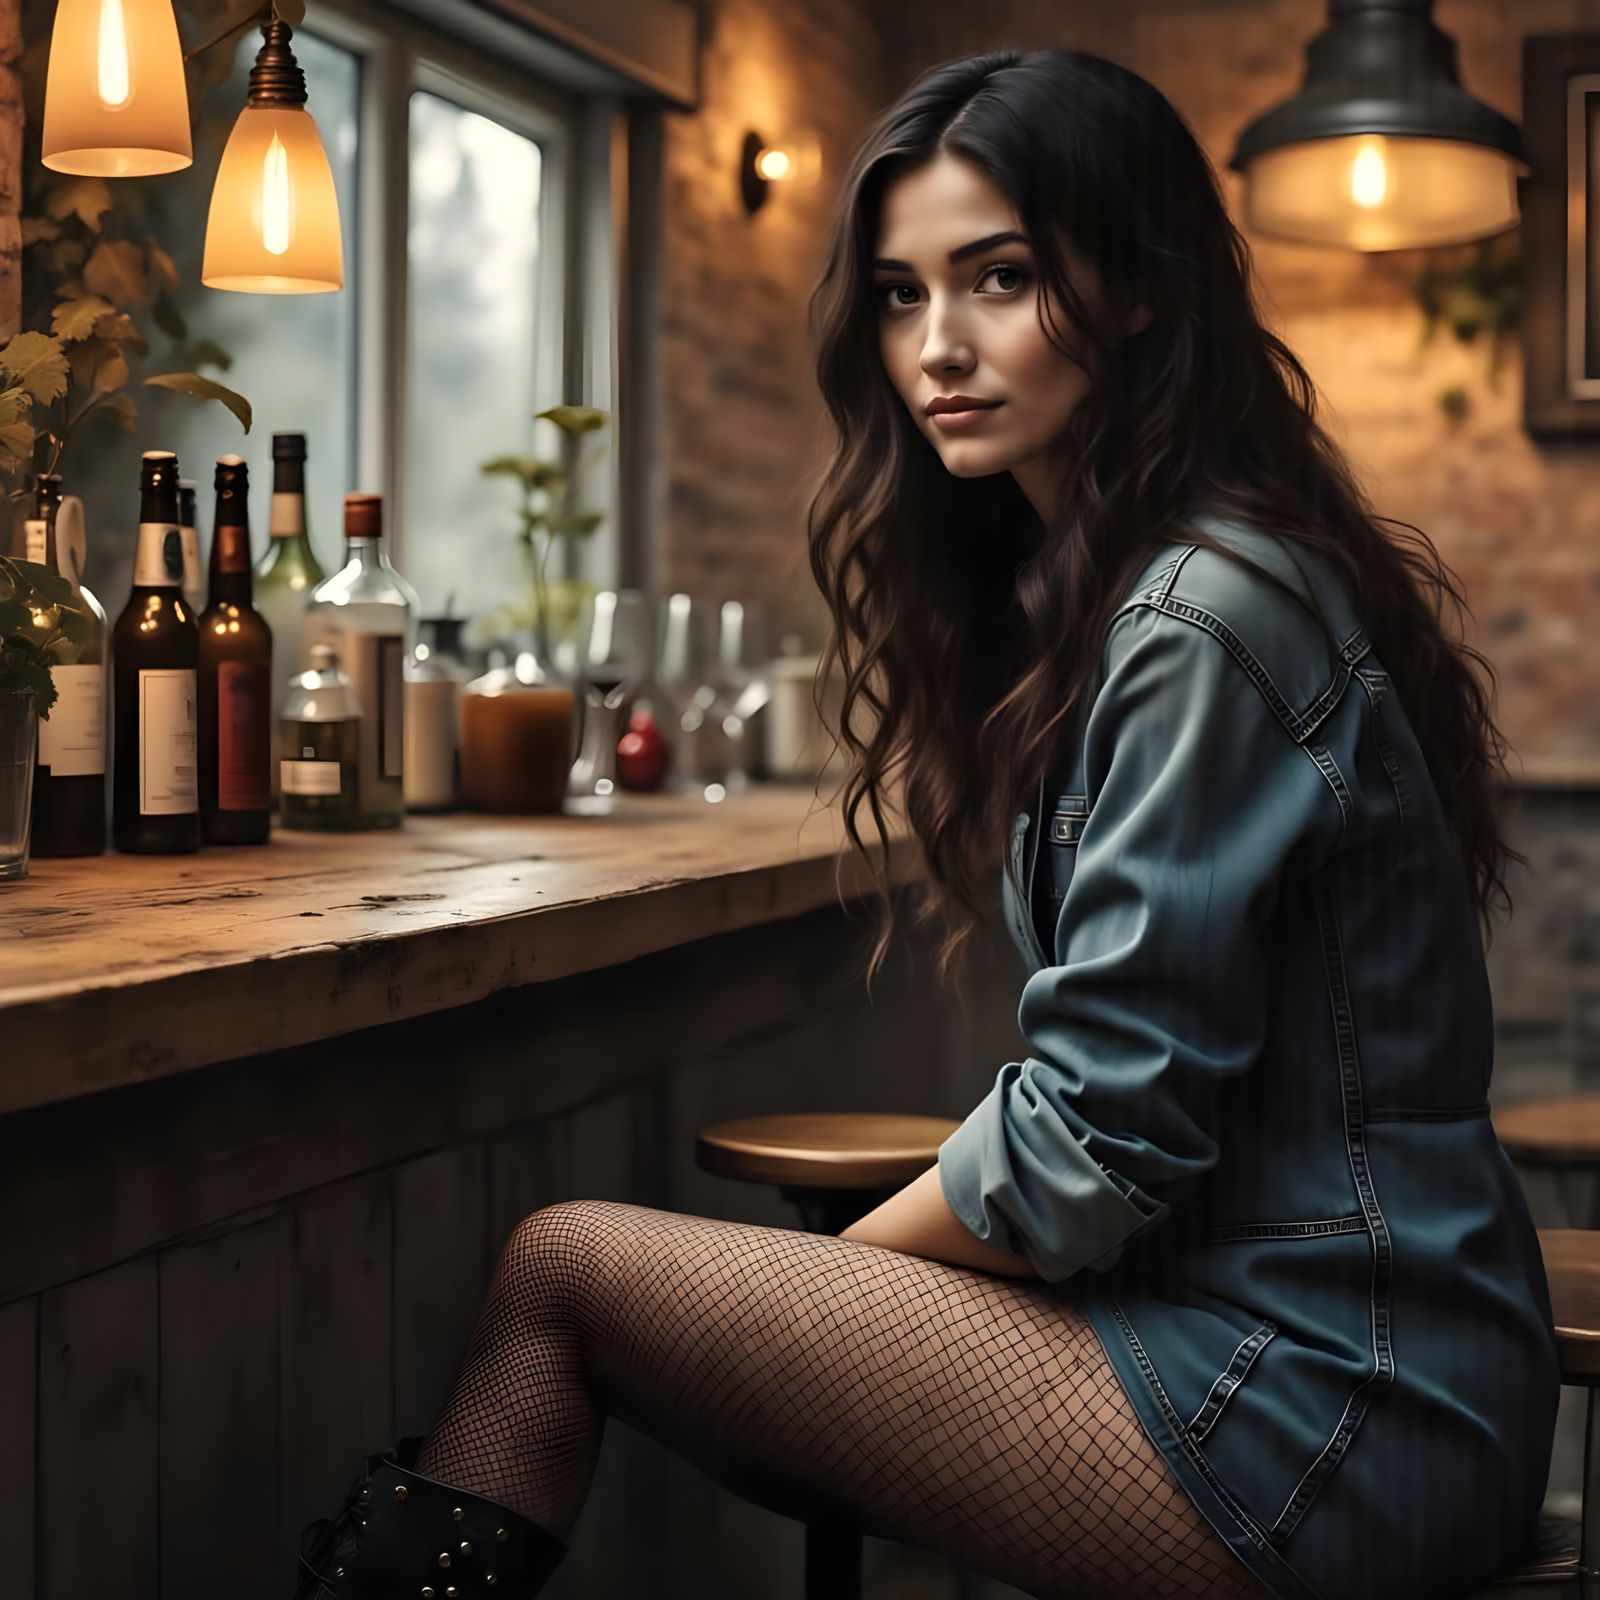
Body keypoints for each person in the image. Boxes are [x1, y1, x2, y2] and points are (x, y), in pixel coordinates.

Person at [291, 47, 1559, 1600]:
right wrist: (819, 1306)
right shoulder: (1139, 585)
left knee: (564, 1274)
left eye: (1000, 278)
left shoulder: (1201, 615)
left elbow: (1102, 1134)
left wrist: (825, 1294)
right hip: (1299, 1351)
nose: (938, 345)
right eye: (901, 294)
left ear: (1141, 288)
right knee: (607, 1298)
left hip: (1332, 1404)